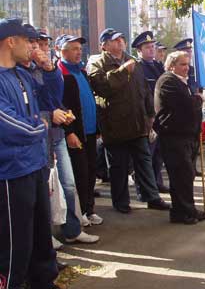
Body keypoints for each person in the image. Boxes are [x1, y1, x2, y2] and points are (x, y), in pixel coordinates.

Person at [0, 18, 60, 289]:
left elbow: (50, 101)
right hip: (12, 171)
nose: (33, 46)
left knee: (40, 232)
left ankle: (43, 280)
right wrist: (38, 129)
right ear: (10, 41)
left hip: (35, 164)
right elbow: (7, 123)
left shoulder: (23, 74)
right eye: (28, 41)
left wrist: (48, 69)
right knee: (15, 240)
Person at [87, 28, 169, 214]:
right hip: (114, 125)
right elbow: (102, 88)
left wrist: (150, 114)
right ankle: (121, 201)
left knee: (144, 162)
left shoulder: (132, 61)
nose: (120, 42)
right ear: (104, 45)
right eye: (115, 40)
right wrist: (123, 71)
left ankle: (151, 197)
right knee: (118, 167)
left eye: (122, 39)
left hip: (138, 123)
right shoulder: (96, 63)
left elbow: (144, 90)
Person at [154, 51, 205, 224]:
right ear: (172, 65)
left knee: (186, 175)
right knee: (181, 175)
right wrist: (198, 99)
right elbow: (186, 105)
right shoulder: (168, 81)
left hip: (186, 135)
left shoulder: (181, 81)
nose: (187, 68)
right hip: (173, 136)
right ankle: (183, 212)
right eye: (182, 64)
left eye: (187, 64)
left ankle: (185, 209)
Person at [57, 34, 104, 229]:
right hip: (76, 133)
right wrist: (69, 132)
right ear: (63, 51)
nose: (79, 52)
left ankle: (89, 209)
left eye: (79, 48)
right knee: (79, 174)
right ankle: (80, 212)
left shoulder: (81, 71)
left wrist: (98, 127)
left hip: (91, 130)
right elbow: (62, 105)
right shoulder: (60, 73)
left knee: (91, 170)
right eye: (74, 48)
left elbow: (90, 100)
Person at [132, 31, 169, 194]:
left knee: (159, 153)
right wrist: (147, 116)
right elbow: (139, 95)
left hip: (161, 116)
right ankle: (145, 187)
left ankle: (157, 181)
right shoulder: (137, 68)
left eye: (153, 46)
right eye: (147, 47)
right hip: (147, 117)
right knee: (147, 154)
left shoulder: (158, 66)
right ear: (139, 51)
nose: (151, 50)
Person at [173, 38, 203, 176]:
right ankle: (188, 168)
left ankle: (193, 166)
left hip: (196, 109)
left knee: (196, 140)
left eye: (190, 50)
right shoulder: (176, 72)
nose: (189, 53)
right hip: (185, 110)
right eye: (185, 51)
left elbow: (199, 88)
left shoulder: (194, 70)